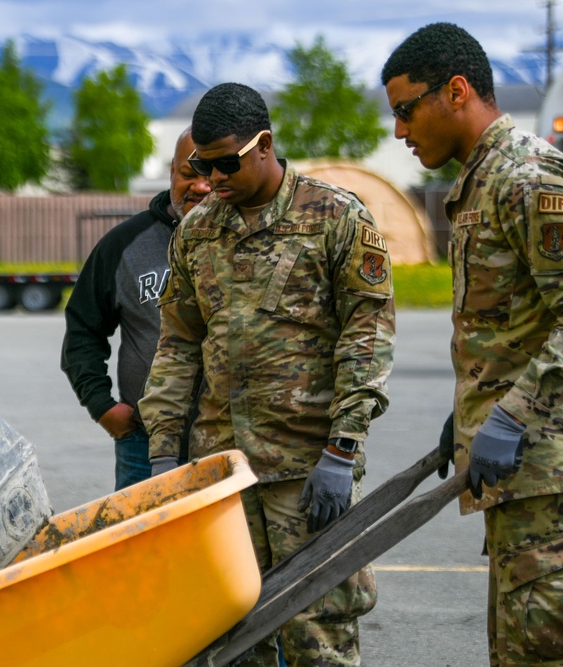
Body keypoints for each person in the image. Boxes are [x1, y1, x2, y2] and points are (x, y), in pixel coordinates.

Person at [138, 83, 395, 666]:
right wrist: (162, 454)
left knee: (318, 633)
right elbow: (178, 344)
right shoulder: (198, 231)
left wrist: (342, 448)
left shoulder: (335, 217)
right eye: (203, 165)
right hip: (224, 472)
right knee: (234, 635)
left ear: (265, 145)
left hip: (306, 469)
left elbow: (367, 335)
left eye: (226, 163)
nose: (213, 177)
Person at [383, 23, 563, 666]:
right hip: (518, 482)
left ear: (456, 91)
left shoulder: (526, 177)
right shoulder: (479, 181)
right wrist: (470, 410)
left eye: (406, 110)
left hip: (549, 480)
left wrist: (511, 414)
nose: (400, 132)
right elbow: (516, 327)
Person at [60, 126, 211, 490]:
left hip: (232, 438)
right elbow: (83, 328)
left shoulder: (246, 240)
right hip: (143, 442)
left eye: (210, 176)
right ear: (172, 171)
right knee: (147, 545)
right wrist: (101, 405)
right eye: (188, 174)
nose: (200, 187)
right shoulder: (125, 244)